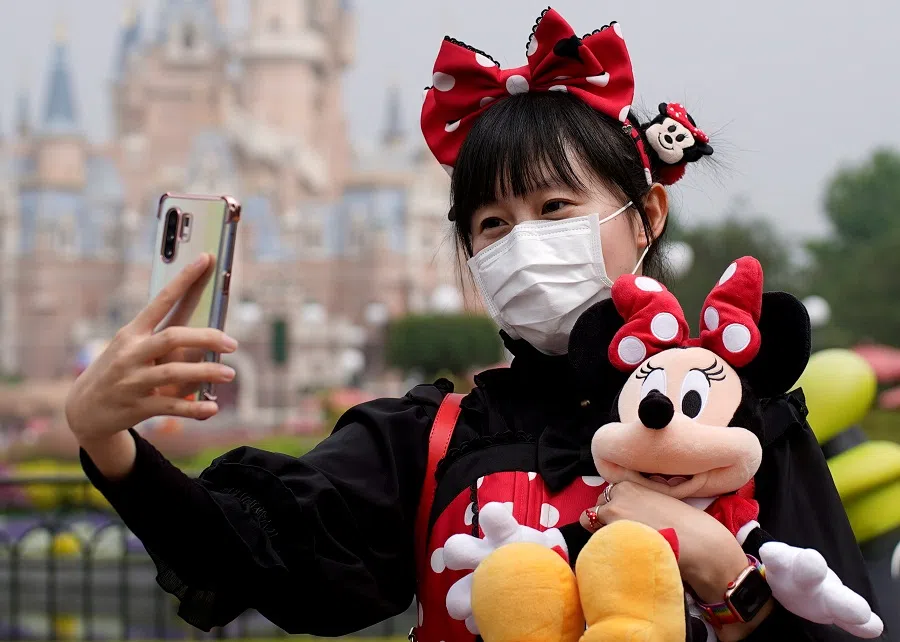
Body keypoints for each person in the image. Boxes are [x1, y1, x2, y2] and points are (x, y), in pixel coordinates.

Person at [67, 8, 884, 642]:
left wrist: (717, 567)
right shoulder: (430, 442)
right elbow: (254, 553)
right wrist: (108, 439)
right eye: (492, 225)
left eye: (555, 208)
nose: (524, 241)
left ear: (647, 215)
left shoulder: (745, 424)